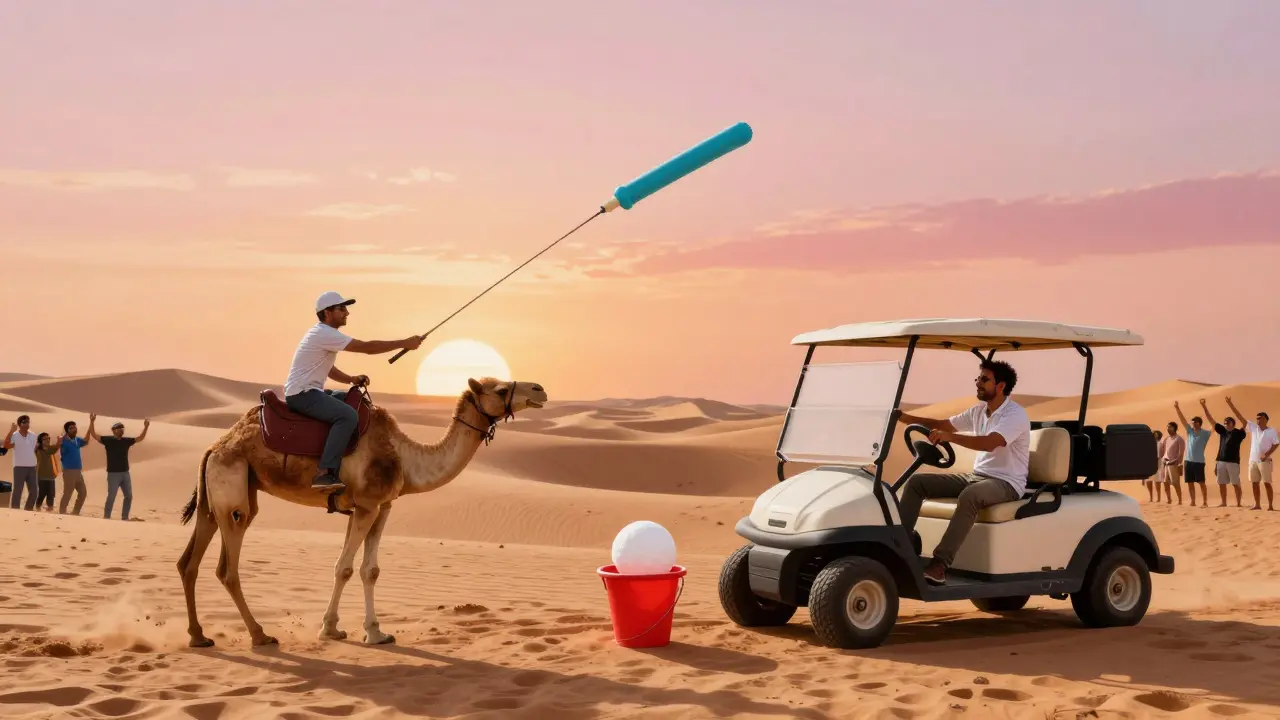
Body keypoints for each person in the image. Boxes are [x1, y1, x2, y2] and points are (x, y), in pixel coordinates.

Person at [895, 359, 1030, 585]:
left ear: (1001, 386)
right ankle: (899, 548)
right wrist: (905, 418)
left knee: (971, 495)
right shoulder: (979, 411)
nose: (978, 383)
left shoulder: (1014, 415)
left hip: (1007, 482)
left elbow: (990, 443)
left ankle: (939, 565)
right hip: (977, 476)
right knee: (917, 483)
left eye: (985, 380)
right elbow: (943, 424)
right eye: (978, 378)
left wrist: (951, 438)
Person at [283, 291, 424, 492]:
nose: (347, 313)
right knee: (347, 416)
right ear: (327, 313)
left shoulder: (320, 334)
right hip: (303, 395)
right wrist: (404, 343)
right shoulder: (325, 334)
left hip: (310, 391)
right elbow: (367, 347)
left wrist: (350, 379)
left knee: (353, 400)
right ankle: (324, 473)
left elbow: (326, 368)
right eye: (341, 309)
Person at [1224, 396, 1277, 512]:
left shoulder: (1272, 431)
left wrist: (1266, 454)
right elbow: (1240, 418)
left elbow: (1276, 444)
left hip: (1265, 461)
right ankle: (1257, 504)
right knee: (1254, 483)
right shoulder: (1253, 428)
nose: (1258, 420)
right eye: (1257, 418)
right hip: (1252, 461)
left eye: (1260, 418)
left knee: (1267, 483)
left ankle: (1270, 506)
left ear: (1266, 419)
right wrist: (1230, 404)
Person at [98, 419, 148, 520]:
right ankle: (106, 516)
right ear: (114, 430)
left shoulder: (126, 441)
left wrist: (146, 427)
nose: (121, 430)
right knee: (112, 496)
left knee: (129, 496)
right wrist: (92, 422)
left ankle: (125, 517)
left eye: (122, 428)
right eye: (119, 428)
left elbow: (140, 438)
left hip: (125, 473)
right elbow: (94, 435)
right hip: (113, 474)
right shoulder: (108, 440)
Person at [1200, 399, 1245, 508]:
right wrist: (1204, 406)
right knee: (1221, 483)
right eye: (1225, 423)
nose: (1226, 425)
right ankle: (1223, 502)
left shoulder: (1239, 433)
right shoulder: (1223, 432)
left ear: (1233, 424)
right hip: (1221, 461)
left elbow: (1244, 422)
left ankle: (1238, 503)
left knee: (1235, 483)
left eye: (1228, 423)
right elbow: (1211, 420)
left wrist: (1230, 404)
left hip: (1233, 462)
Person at [1174, 401, 1211, 507]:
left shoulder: (1205, 433)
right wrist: (1177, 408)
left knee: (1201, 482)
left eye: (1195, 422)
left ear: (1199, 423)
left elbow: (1214, 425)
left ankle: (1205, 502)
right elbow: (1183, 421)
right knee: (1190, 482)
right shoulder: (1189, 431)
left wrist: (1204, 406)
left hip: (1199, 461)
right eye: (1192, 422)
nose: (1193, 424)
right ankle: (1193, 501)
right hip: (1188, 461)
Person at [58, 415, 95, 515]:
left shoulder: (77, 440)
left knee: (83, 493)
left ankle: (75, 512)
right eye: (71, 428)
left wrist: (91, 422)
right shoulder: (64, 442)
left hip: (78, 471)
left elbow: (86, 440)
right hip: (69, 471)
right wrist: (61, 440)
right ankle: (62, 512)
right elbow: (60, 449)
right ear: (67, 431)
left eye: (75, 427)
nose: (74, 429)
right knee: (68, 493)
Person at [4, 415, 39, 510]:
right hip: (19, 466)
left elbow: (35, 449)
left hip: (32, 467)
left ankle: (28, 510)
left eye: (28, 421)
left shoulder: (33, 435)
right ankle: (15, 511)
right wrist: (11, 431)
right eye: (24, 422)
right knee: (18, 491)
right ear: (19, 424)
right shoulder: (15, 435)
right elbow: (6, 446)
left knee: (34, 492)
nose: (27, 424)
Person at [34, 432, 60, 511]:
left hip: (51, 475)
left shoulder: (50, 448)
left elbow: (55, 448)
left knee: (51, 494)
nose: (47, 440)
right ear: (40, 441)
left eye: (48, 438)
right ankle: (38, 507)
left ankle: (50, 508)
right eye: (45, 439)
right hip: (42, 476)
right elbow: (53, 449)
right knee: (42, 493)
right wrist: (59, 441)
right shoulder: (39, 450)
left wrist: (59, 441)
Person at [1160, 422, 1184, 505]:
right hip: (1166, 463)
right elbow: (1164, 451)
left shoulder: (1179, 439)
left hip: (1174, 464)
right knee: (1165, 482)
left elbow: (1181, 453)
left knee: (1175, 482)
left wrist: (1178, 463)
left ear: (1174, 428)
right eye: (1167, 427)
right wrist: (1163, 460)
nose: (1168, 429)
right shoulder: (1166, 439)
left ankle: (1180, 500)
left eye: (1170, 427)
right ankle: (1169, 499)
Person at [1148, 429, 1164, 502]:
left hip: (1157, 464)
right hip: (1149, 464)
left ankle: (1158, 498)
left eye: (1156, 434)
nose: (1154, 435)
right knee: (1149, 481)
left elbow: (1160, 455)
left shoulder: (1160, 443)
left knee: (1157, 481)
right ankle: (1151, 497)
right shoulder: (1149, 443)